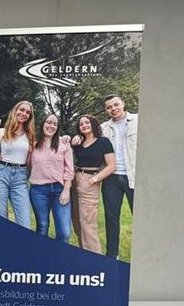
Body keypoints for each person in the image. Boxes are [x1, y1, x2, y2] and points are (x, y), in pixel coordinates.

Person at [0, 100, 35, 227]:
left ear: (30, 117)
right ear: (15, 110)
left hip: (20, 179)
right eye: (21, 110)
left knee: (25, 224)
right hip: (0, 176)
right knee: (1, 221)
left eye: (28, 112)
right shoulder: (1, 132)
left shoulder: (30, 136)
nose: (24, 113)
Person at [69, 115, 116, 254]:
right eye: (81, 124)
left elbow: (111, 166)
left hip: (90, 181)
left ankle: (95, 259)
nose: (84, 125)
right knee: (77, 221)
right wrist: (73, 139)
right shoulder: (79, 142)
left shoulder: (103, 142)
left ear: (93, 124)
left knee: (88, 223)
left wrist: (94, 180)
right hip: (74, 180)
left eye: (87, 122)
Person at [99, 95, 137, 258]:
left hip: (134, 176)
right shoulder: (103, 128)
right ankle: (112, 255)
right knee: (111, 218)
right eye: (109, 107)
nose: (113, 109)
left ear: (123, 103)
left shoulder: (138, 120)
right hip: (111, 178)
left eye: (116, 105)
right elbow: (89, 139)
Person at [28, 115, 73, 243]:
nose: (51, 126)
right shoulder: (33, 146)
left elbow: (69, 169)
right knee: (42, 227)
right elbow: (24, 163)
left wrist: (66, 190)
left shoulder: (63, 144)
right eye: (48, 122)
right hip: (38, 191)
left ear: (57, 127)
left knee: (64, 232)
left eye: (54, 124)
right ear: (43, 124)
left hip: (60, 190)